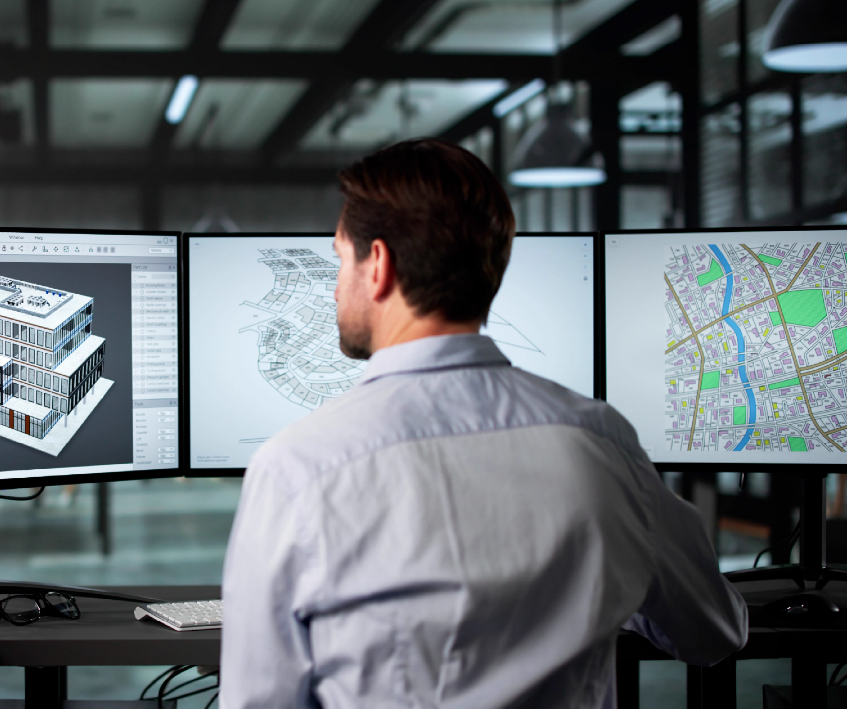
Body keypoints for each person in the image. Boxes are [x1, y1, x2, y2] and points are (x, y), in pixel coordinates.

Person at [220, 138, 747, 708]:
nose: (335, 285)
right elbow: (713, 630)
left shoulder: (297, 469)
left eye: (340, 259)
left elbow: (260, 701)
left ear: (379, 266)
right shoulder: (602, 442)